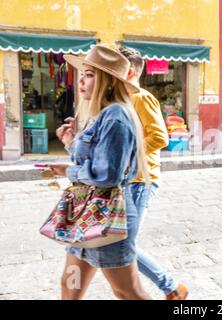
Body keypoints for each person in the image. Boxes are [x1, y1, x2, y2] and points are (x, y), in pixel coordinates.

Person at [49, 44, 152, 300]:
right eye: (82, 74)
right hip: (86, 214)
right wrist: (71, 143)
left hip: (108, 219)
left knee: (126, 291)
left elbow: (108, 174)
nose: (81, 81)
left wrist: (69, 171)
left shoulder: (116, 116)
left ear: (107, 81)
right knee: (70, 283)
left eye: (90, 75)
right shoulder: (100, 115)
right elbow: (93, 160)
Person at [118, 45, 188, 300]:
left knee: (123, 244)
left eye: (116, 66)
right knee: (117, 244)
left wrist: (126, 156)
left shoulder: (142, 97)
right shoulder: (121, 99)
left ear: (131, 71)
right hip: (124, 181)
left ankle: (171, 287)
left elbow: (159, 137)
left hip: (140, 180)